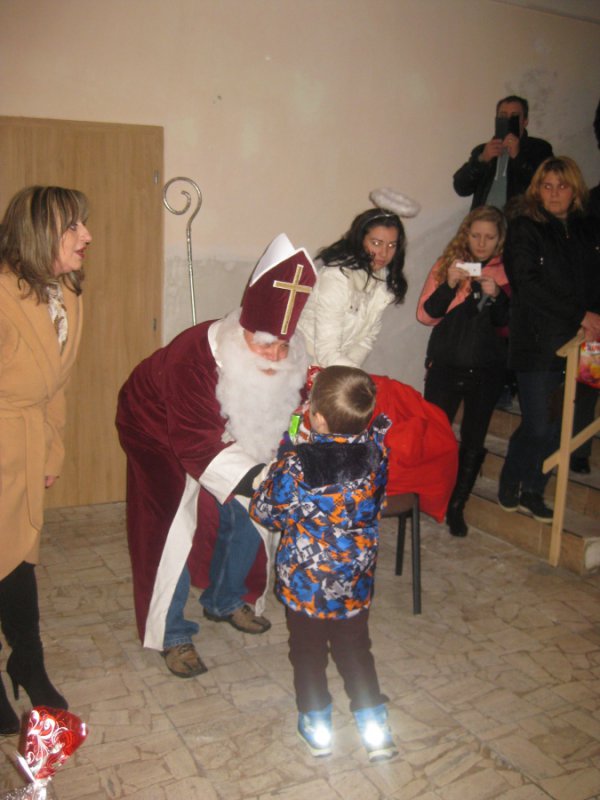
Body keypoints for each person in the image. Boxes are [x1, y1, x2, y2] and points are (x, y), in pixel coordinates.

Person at [116, 233, 316, 678]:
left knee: (249, 509)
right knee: (170, 525)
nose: (274, 356)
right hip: (156, 428)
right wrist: (266, 480)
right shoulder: (192, 358)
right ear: (243, 330)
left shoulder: (287, 355)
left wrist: (292, 456)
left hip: (220, 431)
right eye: (264, 344)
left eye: (282, 346)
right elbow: (196, 444)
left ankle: (226, 599)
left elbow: (293, 413)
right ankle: (171, 632)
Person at [249, 365, 397, 763]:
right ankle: (376, 729)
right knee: (356, 649)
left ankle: (317, 726)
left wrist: (286, 457)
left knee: (308, 652)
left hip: (307, 584)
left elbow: (265, 512)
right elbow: (371, 497)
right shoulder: (377, 452)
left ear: (316, 418)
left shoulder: (297, 466)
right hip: (354, 581)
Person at [0, 186, 92, 735]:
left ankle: (27, 661)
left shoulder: (66, 296)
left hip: (28, 442)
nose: (87, 236)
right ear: (39, 233)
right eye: (73, 226)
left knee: (18, 556)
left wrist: (51, 449)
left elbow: (57, 385)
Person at [498, 156, 600, 521]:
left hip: (590, 344)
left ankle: (534, 490)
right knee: (539, 423)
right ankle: (512, 478)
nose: (555, 193)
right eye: (547, 186)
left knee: (567, 423)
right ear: (537, 190)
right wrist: (580, 315)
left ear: (575, 190)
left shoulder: (589, 228)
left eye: (562, 186)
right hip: (539, 343)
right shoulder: (525, 228)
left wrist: (593, 319)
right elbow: (528, 283)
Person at [417, 206, 510, 537]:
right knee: (433, 436)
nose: (481, 243)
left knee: (473, 439)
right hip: (445, 366)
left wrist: (498, 297)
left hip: (487, 370)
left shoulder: (507, 271)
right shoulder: (447, 264)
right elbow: (426, 315)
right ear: (465, 234)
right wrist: (449, 284)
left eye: (489, 237)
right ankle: (431, 496)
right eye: (475, 235)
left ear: (500, 239)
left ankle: (457, 506)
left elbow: (509, 325)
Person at [297, 189, 419, 368]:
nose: (384, 253)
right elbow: (326, 352)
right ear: (360, 240)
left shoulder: (383, 280)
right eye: (376, 243)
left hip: (336, 368)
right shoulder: (336, 277)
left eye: (391, 245)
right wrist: (353, 377)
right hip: (304, 363)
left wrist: (352, 371)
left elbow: (365, 340)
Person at [453, 95, 553, 211]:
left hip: (519, 220)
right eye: (503, 116)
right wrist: (482, 160)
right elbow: (461, 188)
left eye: (514, 116)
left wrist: (518, 157)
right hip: (485, 220)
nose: (508, 120)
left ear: (525, 121)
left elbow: (546, 187)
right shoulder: (482, 150)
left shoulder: (539, 148)